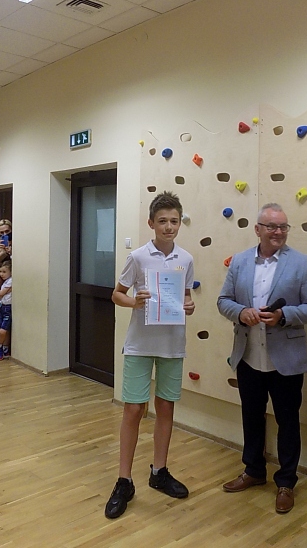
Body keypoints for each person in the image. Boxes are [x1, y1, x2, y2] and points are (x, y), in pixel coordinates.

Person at [217, 203, 307, 515]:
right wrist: (241, 312)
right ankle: (253, 471)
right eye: (272, 226)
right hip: (248, 355)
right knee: (251, 416)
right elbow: (223, 301)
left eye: (283, 227)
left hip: (286, 360)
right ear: (258, 229)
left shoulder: (301, 263)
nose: (278, 232)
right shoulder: (239, 261)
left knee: (288, 421)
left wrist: (283, 316)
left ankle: (286, 482)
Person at [104, 191, 195, 520]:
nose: (169, 227)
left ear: (180, 223)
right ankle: (124, 480)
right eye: (162, 221)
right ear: (151, 223)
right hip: (140, 344)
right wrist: (135, 302)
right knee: (133, 409)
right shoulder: (138, 257)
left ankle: (159, 471)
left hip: (172, 344)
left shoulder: (186, 259)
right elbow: (117, 294)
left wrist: (189, 305)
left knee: (166, 407)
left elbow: (186, 297)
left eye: (174, 221)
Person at [0, 260, 12, 361]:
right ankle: (4, 348)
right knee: (1, 329)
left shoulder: (11, 281)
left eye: (4, 272)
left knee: (3, 331)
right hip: (3, 307)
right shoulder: (5, 282)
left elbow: (1, 293)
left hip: (8, 308)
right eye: (1, 272)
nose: (2, 274)